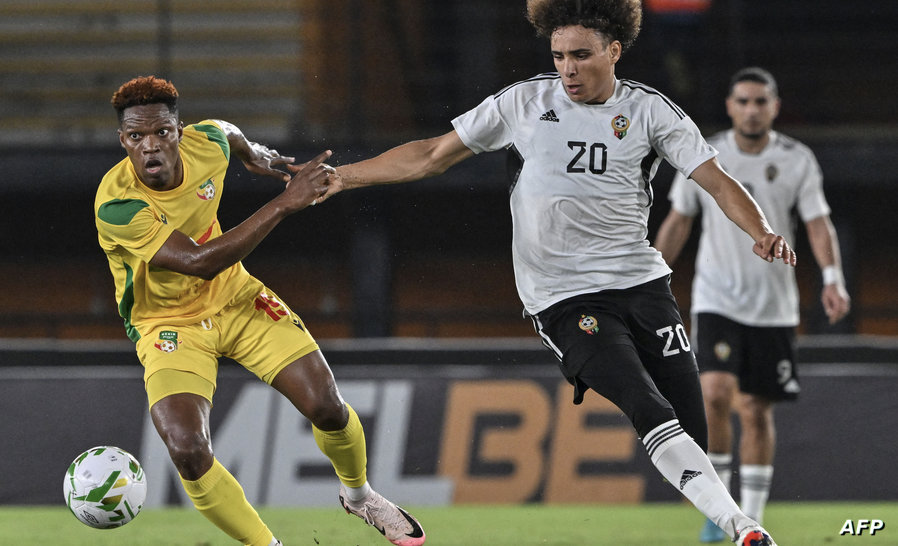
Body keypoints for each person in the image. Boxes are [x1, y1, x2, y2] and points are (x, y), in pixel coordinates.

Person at [320, 1, 789, 544]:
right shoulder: (523, 102)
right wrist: (343, 177)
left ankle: (719, 516)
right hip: (564, 298)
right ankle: (742, 527)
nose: (568, 68)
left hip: (642, 284)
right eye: (559, 55)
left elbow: (718, 180)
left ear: (614, 52)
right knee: (645, 402)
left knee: (690, 423)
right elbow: (430, 154)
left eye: (581, 55)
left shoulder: (651, 112)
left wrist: (760, 230)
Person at [94, 76, 426, 546]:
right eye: (136, 137)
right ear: (122, 141)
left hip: (238, 299)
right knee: (187, 448)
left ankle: (361, 498)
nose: (150, 147)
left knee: (327, 408)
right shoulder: (118, 203)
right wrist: (286, 203)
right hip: (169, 325)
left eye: (162, 133)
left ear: (179, 131)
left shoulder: (205, 142)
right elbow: (199, 262)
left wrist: (254, 153)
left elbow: (226, 131)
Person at [654, 66, 850, 543]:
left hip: (774, 305)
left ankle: (752, 518)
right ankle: (721, 513)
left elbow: (818, 224)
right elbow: (680, 220)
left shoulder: (797, 159)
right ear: (730, 106)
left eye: (760, 101)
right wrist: (653, 273)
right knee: (716, 394)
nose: (751, 109)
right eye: (743, 101)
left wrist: (832, 277)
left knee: (756, 409)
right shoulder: (707, 154)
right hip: (716, 298)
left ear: (774, 107)